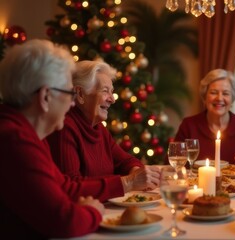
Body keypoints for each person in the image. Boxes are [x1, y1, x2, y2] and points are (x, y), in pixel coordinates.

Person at [0, 39, 158, 238]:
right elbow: (65, 221)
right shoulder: (15, 140)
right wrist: (92, 211)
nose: (72, 104)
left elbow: (64, 187)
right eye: (68, 93)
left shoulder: (25, 134)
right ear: (45, 97)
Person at [47, 60, 156, 179]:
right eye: (105, 91)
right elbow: (72, 185)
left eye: (112, 92)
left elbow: (126, 161)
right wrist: (127, 182)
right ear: (80, 94)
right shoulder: (65, 128)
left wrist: (136, 172)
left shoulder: (98, 128)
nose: (112, 99)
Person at [174, 69, 235, 165]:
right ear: (204, 97)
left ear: (232, 99)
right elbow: (173, 163)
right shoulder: (189, 125)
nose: (219, 98)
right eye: (213, 92)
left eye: (225, 93)